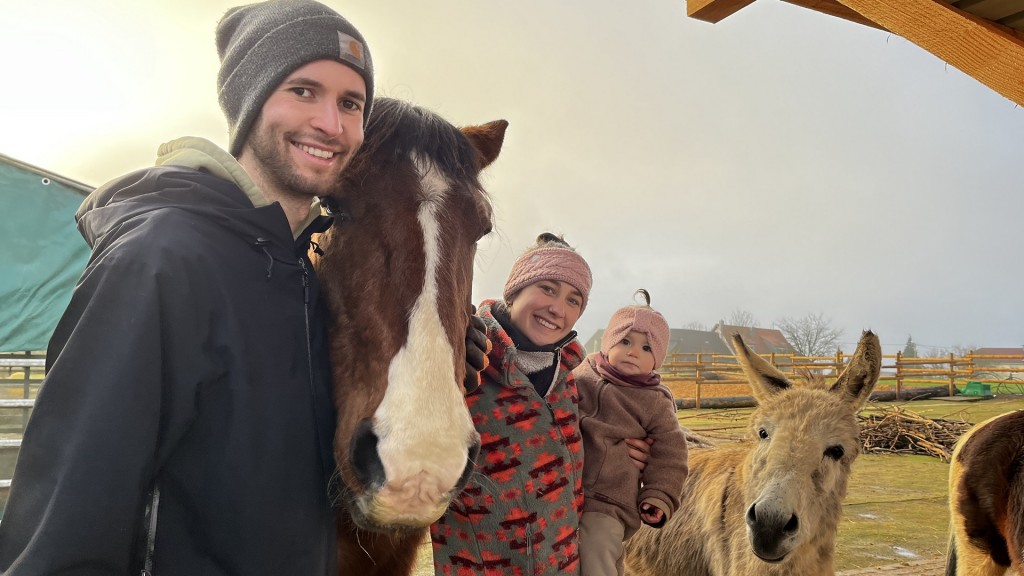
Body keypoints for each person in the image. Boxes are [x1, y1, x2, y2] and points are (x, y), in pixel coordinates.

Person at [0, 2, 484, 574]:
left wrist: (439, 345)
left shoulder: (295, 271)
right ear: (250, 102)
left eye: (350, 103)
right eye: (304, 91)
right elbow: (63, 527)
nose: (330, 123)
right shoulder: (159, 259)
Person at [430, 232, 593, 574]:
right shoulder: (462, 363)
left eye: (573, 300)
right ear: (515, 289)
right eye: (547, 288)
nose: (557, 308)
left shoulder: (571, 378)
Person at [575, 289, 689, 576]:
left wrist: (658, 495)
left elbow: (671, 454)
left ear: (657, 360)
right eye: (625, 341)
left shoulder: (654, 401)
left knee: (597, 548)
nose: (634, 351)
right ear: (607, 343)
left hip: (608, 500)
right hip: (565, 490)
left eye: (646, 348)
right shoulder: (581, 374)